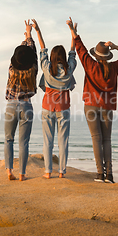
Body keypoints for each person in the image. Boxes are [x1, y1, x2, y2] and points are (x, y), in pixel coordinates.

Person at [67, 17, 118, 183]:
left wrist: (73, 31)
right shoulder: (114, 67)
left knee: (96, 139)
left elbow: (80, 49)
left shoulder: (90, 64)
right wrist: (116, 46)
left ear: (96, 55)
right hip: (107, 107)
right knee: (107, 140)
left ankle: (99, 174)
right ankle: (109, 175)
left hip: (90, 106)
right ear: (108, 56)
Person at [33, 19, 77, 179]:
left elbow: (42, 50)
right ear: (63, 57)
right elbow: (73, 52)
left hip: (47, 108)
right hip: (63, 109)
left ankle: (47, 172)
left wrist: (37, 31)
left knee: (47, 142)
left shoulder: (47, 69)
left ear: (52, 56)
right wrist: (73, 32)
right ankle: (61, 172)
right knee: (63, 142)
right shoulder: (69, 69)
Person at [4, 20, 38, 181]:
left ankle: (9, 171)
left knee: (8, 139)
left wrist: (25, 37)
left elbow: (21, 54)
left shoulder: (12, 69)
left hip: (11, 105)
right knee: (24, 142)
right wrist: (29, 34)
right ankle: (22, 174)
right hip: (27, 106)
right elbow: (29, 54)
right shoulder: (33, 69)